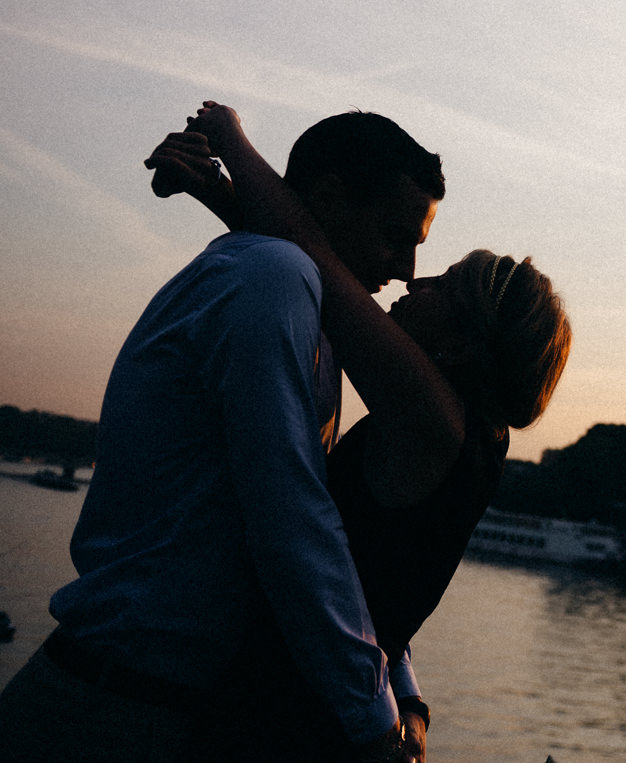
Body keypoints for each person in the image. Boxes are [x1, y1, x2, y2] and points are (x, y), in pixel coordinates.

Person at [0, 110, 445, 763]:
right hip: (116, 716)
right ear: (325, 199)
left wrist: (397, 687)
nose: (407, 268)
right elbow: (292, 513)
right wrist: (376, 716)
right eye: (394, 234)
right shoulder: (272, 279)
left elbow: (320, 527)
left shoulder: (295, 297)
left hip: (134, 699)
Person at [170, 102, 571, 760]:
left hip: (283, 722)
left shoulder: (430, 420)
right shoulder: (469, 439)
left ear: (462, 346)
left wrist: (228, 139)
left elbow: (315, 261)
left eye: (441, 283)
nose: (414, 279)